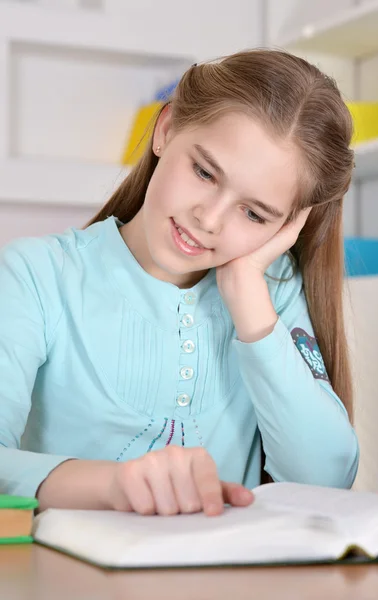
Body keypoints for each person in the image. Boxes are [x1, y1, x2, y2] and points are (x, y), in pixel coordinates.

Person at [0, 49, 359, 517]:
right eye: (204, 172)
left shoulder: (272, 292)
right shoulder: (35, 275)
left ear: (286, 226)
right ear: (166, 130)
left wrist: (249, 299)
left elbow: (326, 481)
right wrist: (114, 485)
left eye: (254, 213)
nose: (208, 219)